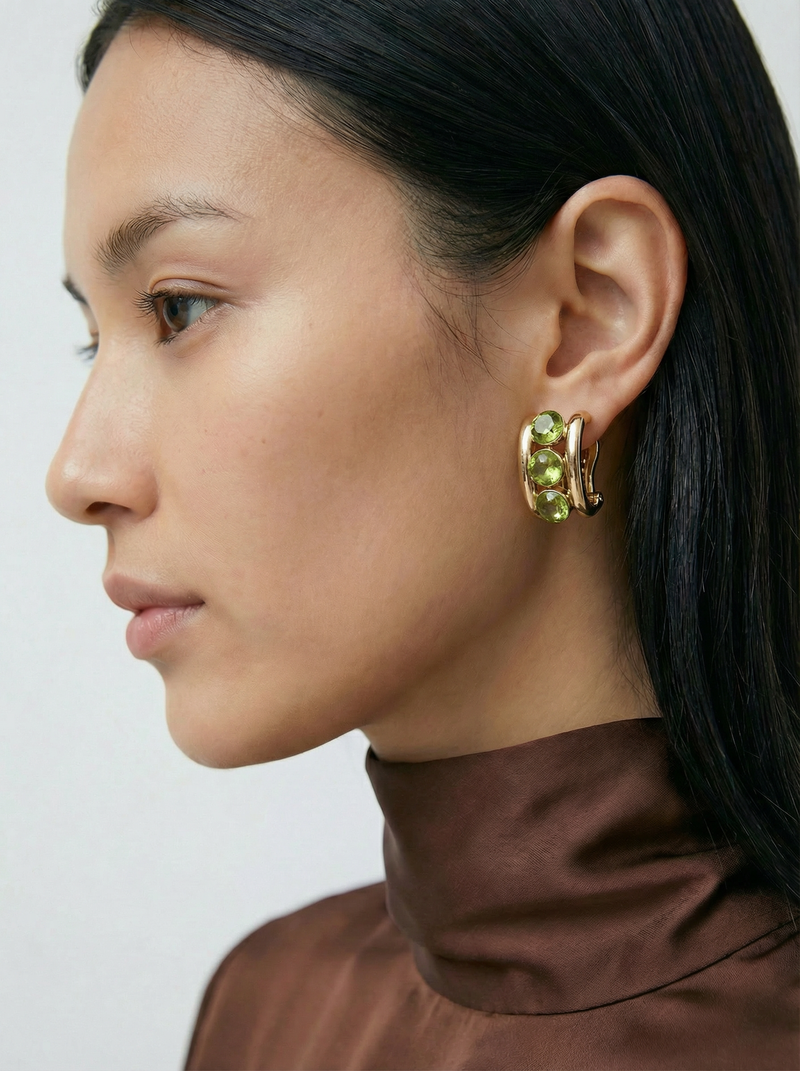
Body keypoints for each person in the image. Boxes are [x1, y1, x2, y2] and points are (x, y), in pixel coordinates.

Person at [46, 0, 799, 1067]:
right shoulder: (263, 1007)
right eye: (94, 339)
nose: (77, 475)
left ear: (589, 313)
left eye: (179, 308)